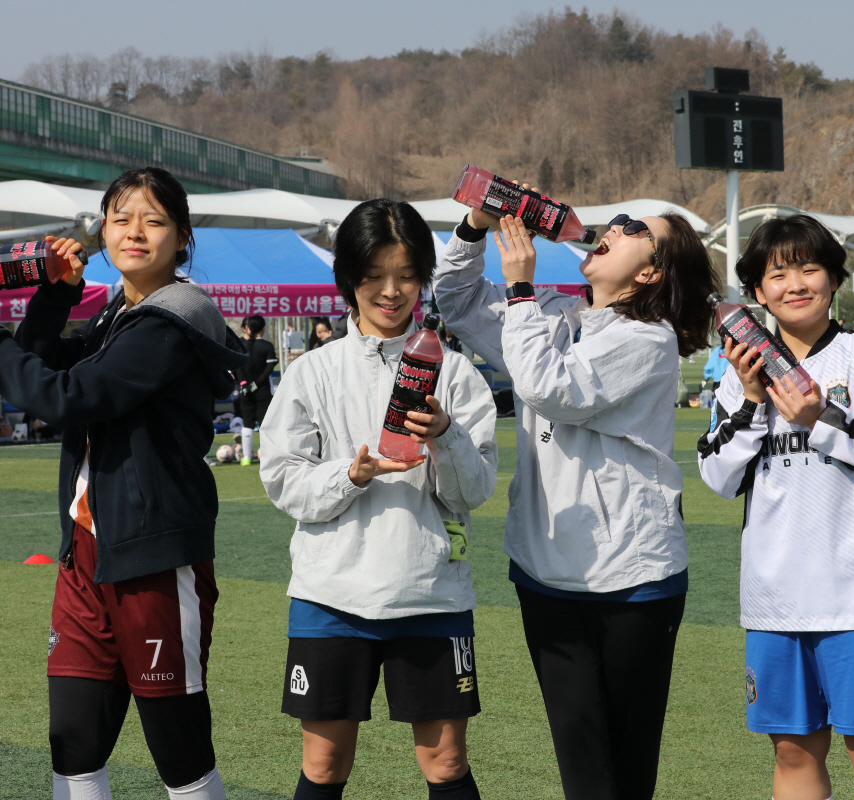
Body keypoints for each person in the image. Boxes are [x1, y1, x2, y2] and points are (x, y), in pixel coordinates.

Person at [434, 197, 720, 800]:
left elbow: (553, 389)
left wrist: (519, 290)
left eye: (634, 229)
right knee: (581, 761)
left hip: (632, 576)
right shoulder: (553, 313)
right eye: (616, 221)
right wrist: (475, 226)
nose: (613, 228)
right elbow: (455, 299)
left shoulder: (648, 338)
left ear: (651, 272)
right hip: (545, 569)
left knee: (627, 767)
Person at [0, 167, 247, 800]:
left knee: (179, 753)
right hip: (86, 554)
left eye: (153, 220)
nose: (134, 231)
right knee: (73, 744)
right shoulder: (120, 311)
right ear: (103, 231)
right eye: (120, 218)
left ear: (182, 236)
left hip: (154, 557)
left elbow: (69, 397)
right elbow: (43, 361)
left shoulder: (174, 319)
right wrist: (56, 294)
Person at [259, 199, 498, 800]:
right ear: (348, 279)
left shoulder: (455, 374)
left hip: (431, 594)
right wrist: (351, 475)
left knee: (446, 761)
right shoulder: (311, 372)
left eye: (407, 275)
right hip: (331, 597)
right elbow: (283, 480)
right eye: (373, 276)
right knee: (324, 763)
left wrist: (445, 436)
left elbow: (475, 490)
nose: (391, 292)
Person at [698, 214, 854, 800]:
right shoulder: (741, 373)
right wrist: (753, 403)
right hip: (774, 598)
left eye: (809, 268)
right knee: (793, 752)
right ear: (757, 292)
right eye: (778, 275)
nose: (795, 284)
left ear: (834, 279)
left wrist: (818, 419)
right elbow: (718, 476)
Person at [235, 314, 278, 466]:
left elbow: (237, 366)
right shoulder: (267, 346)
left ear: (247, 328)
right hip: (263, 390)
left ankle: (246, 457)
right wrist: (255, 384)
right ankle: (268, 457)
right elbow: (269, 369)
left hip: (245, 390)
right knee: (265, 424)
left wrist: (244, 383)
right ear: (263, 328)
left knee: (247, 423)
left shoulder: (240, 345)